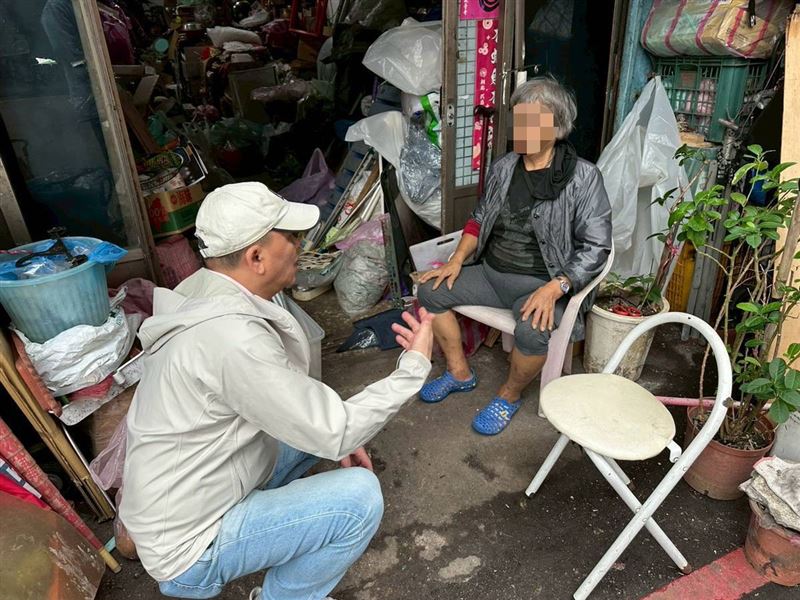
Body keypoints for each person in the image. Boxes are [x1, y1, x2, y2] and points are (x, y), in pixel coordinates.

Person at [119, 182, 434, 600]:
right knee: (358, 501)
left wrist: (330, 439)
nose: (299, 245)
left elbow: (294, 406)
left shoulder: (202, 289)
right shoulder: (230, 339)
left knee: (319, 433)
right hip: (190, 549)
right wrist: (414, 366)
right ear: (256, 257)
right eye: (290, 236)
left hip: (182, 495)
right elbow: (334, 427)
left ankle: (156, 535)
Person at [417, 76, 612, 436]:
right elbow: (479, 217)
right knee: (430, 291)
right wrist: (457, 259)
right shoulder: (505, 166)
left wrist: (557, 287)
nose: (521, 130)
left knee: (532, 329)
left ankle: (509, 394)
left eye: (532, 121)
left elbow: (596, 247)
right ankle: (459, 372)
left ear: (556, 128)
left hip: (541, 283)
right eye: (519, 119)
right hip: (491, 274)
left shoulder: (583, 178)